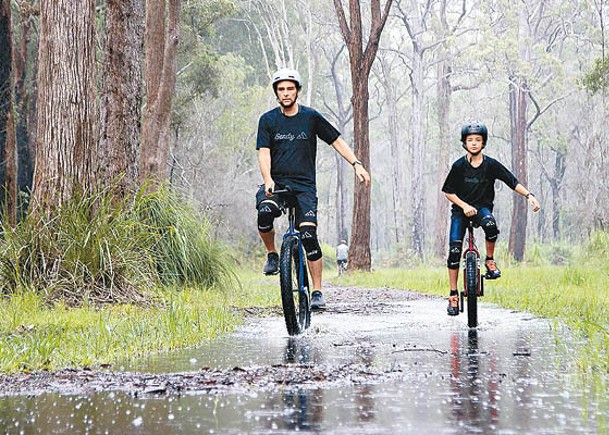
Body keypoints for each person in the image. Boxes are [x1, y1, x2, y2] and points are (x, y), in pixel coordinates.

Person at [256, 68, 371, 310]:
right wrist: (267, 179)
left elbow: (336, 140)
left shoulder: (311, 117)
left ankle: (317, 291)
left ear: (297, 91)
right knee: (265, 212)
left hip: (304, 187)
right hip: (276, 184)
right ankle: (272, 254)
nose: (286, 93)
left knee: (308, 236)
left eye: (290, 88)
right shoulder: (268, 120)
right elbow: (263, 152)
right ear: (276, 93)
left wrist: (356, 164)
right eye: (281, 89)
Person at [441, 121, 540, 316]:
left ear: (483, 142)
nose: (474, 143)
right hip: (461, 211)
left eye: (478, 140)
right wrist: (464, 206)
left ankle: (490, 260)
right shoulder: (459, 166)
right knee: (454, 250)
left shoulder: (491, 165)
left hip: (483, 208)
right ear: (464, 143)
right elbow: (448, 192)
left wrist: (530, 196)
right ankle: (453, 295)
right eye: (470, 140)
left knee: (491, 226)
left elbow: (512, 181)